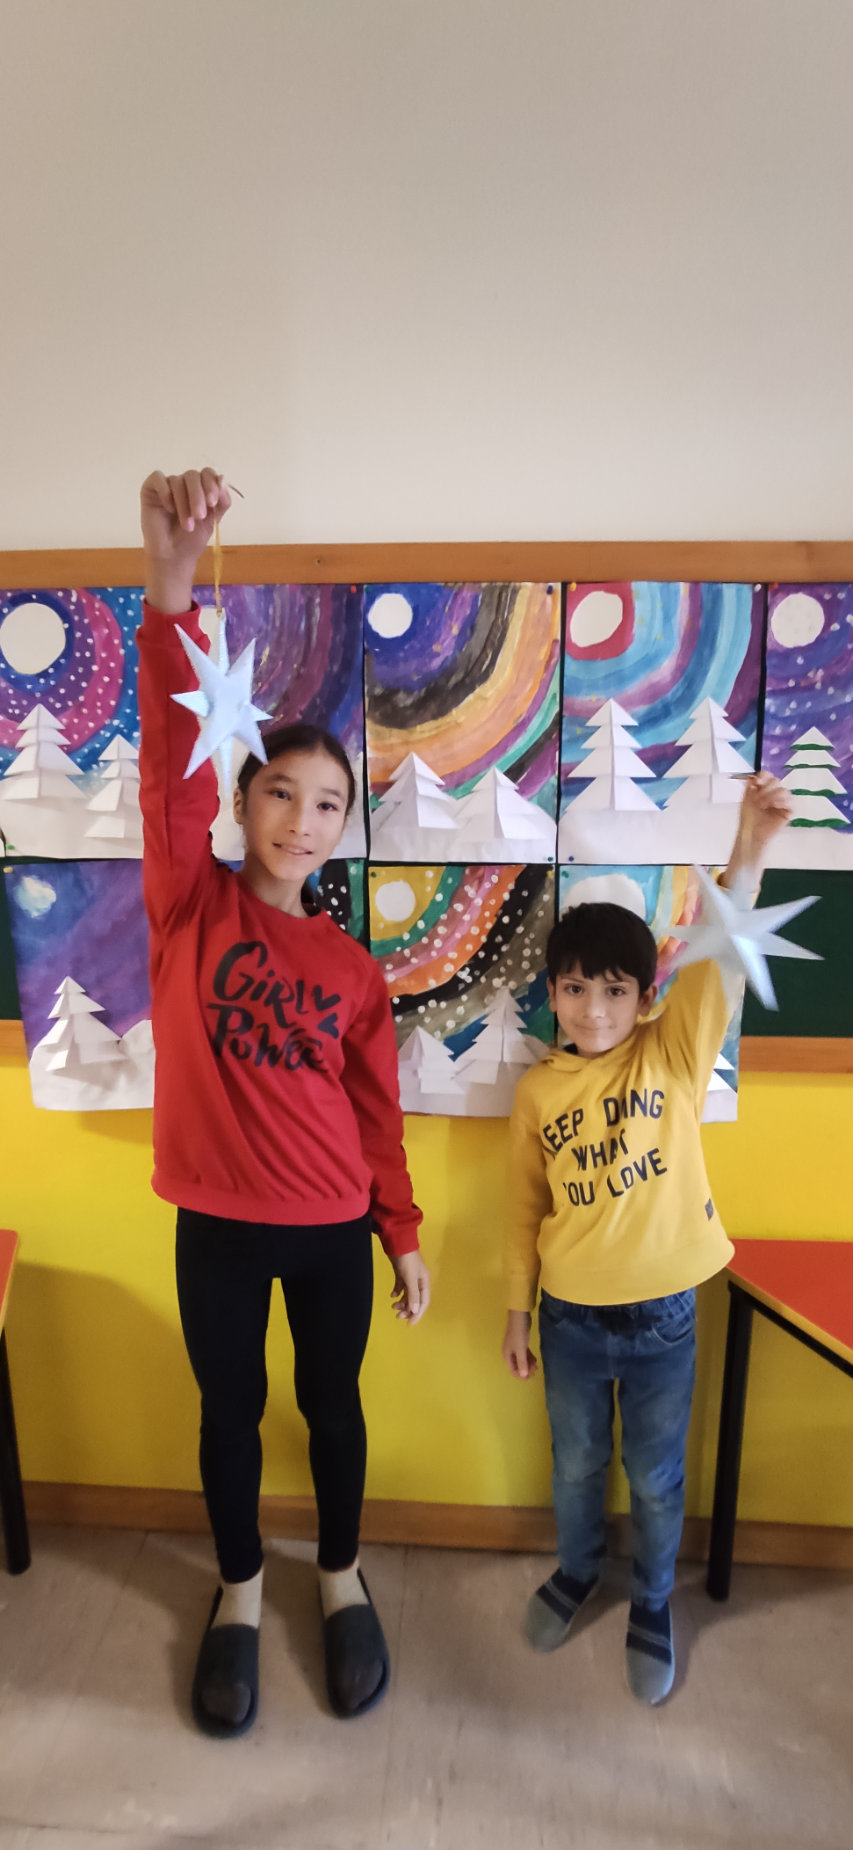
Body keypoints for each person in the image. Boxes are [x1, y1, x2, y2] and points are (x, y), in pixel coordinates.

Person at [137, 466, 430, 1737]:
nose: (302, 820)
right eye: (279, 793)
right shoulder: (186, 906)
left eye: (327, 805)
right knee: (230, 1410)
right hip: (216, 1223)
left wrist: (401, 1231)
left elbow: (377, 1117)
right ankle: (243, 1589)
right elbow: (166, 768)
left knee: (334, 1404)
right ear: (240, 799)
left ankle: (342, 1573)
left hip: (330, 1228)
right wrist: (172, 587)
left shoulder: (351, 967)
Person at [502, 775, 792, 1703]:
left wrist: (749, 847)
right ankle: (577, 1570)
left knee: (656, 1477)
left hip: (664, 1315)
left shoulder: (672, 1049)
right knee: (577, 1464)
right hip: (569, 1319)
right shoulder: (537, 1092)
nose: (593, 1009)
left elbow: (722, 956)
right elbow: (523, 1208)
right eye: (574, 989)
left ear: (641, 997)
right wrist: (517, 1311)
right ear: (553, 993)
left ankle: (654, 1601)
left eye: (613, 990)